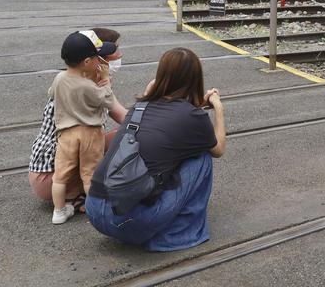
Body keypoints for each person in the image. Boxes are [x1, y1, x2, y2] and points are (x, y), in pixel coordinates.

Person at [87, 48, 227, 252]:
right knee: (203, 155)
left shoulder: (140, 106)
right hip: (130, 222)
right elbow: (219, 149)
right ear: (195, 79)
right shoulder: (194, 116)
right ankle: (178, 234)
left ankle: (145, 226)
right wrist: (219, 109)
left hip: (95, 213)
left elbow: (169, 110)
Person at [29, 29, 127, 207]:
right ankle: (88, 200)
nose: (120, 55)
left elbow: (122, 115)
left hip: (46, 172)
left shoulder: (65, 80)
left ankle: (66, 203)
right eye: (115, 53)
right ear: (94, 61)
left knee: (115, 135)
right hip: (50, 174)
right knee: (123, 137)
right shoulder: (91, 89)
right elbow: (125, 119)